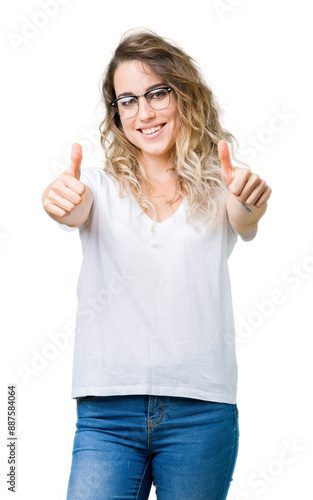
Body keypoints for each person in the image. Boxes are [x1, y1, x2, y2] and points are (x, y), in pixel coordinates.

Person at [42, 29, 271, 500]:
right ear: (117, 114)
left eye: (156, 93)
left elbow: (243, 215)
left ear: (183, 96)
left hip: (201, 414)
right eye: (127, 101)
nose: (143, 113)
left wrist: (250, 200)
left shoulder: (219, 188)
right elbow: (73, 209)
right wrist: (59, 202)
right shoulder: (97, 190)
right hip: (107, 415)